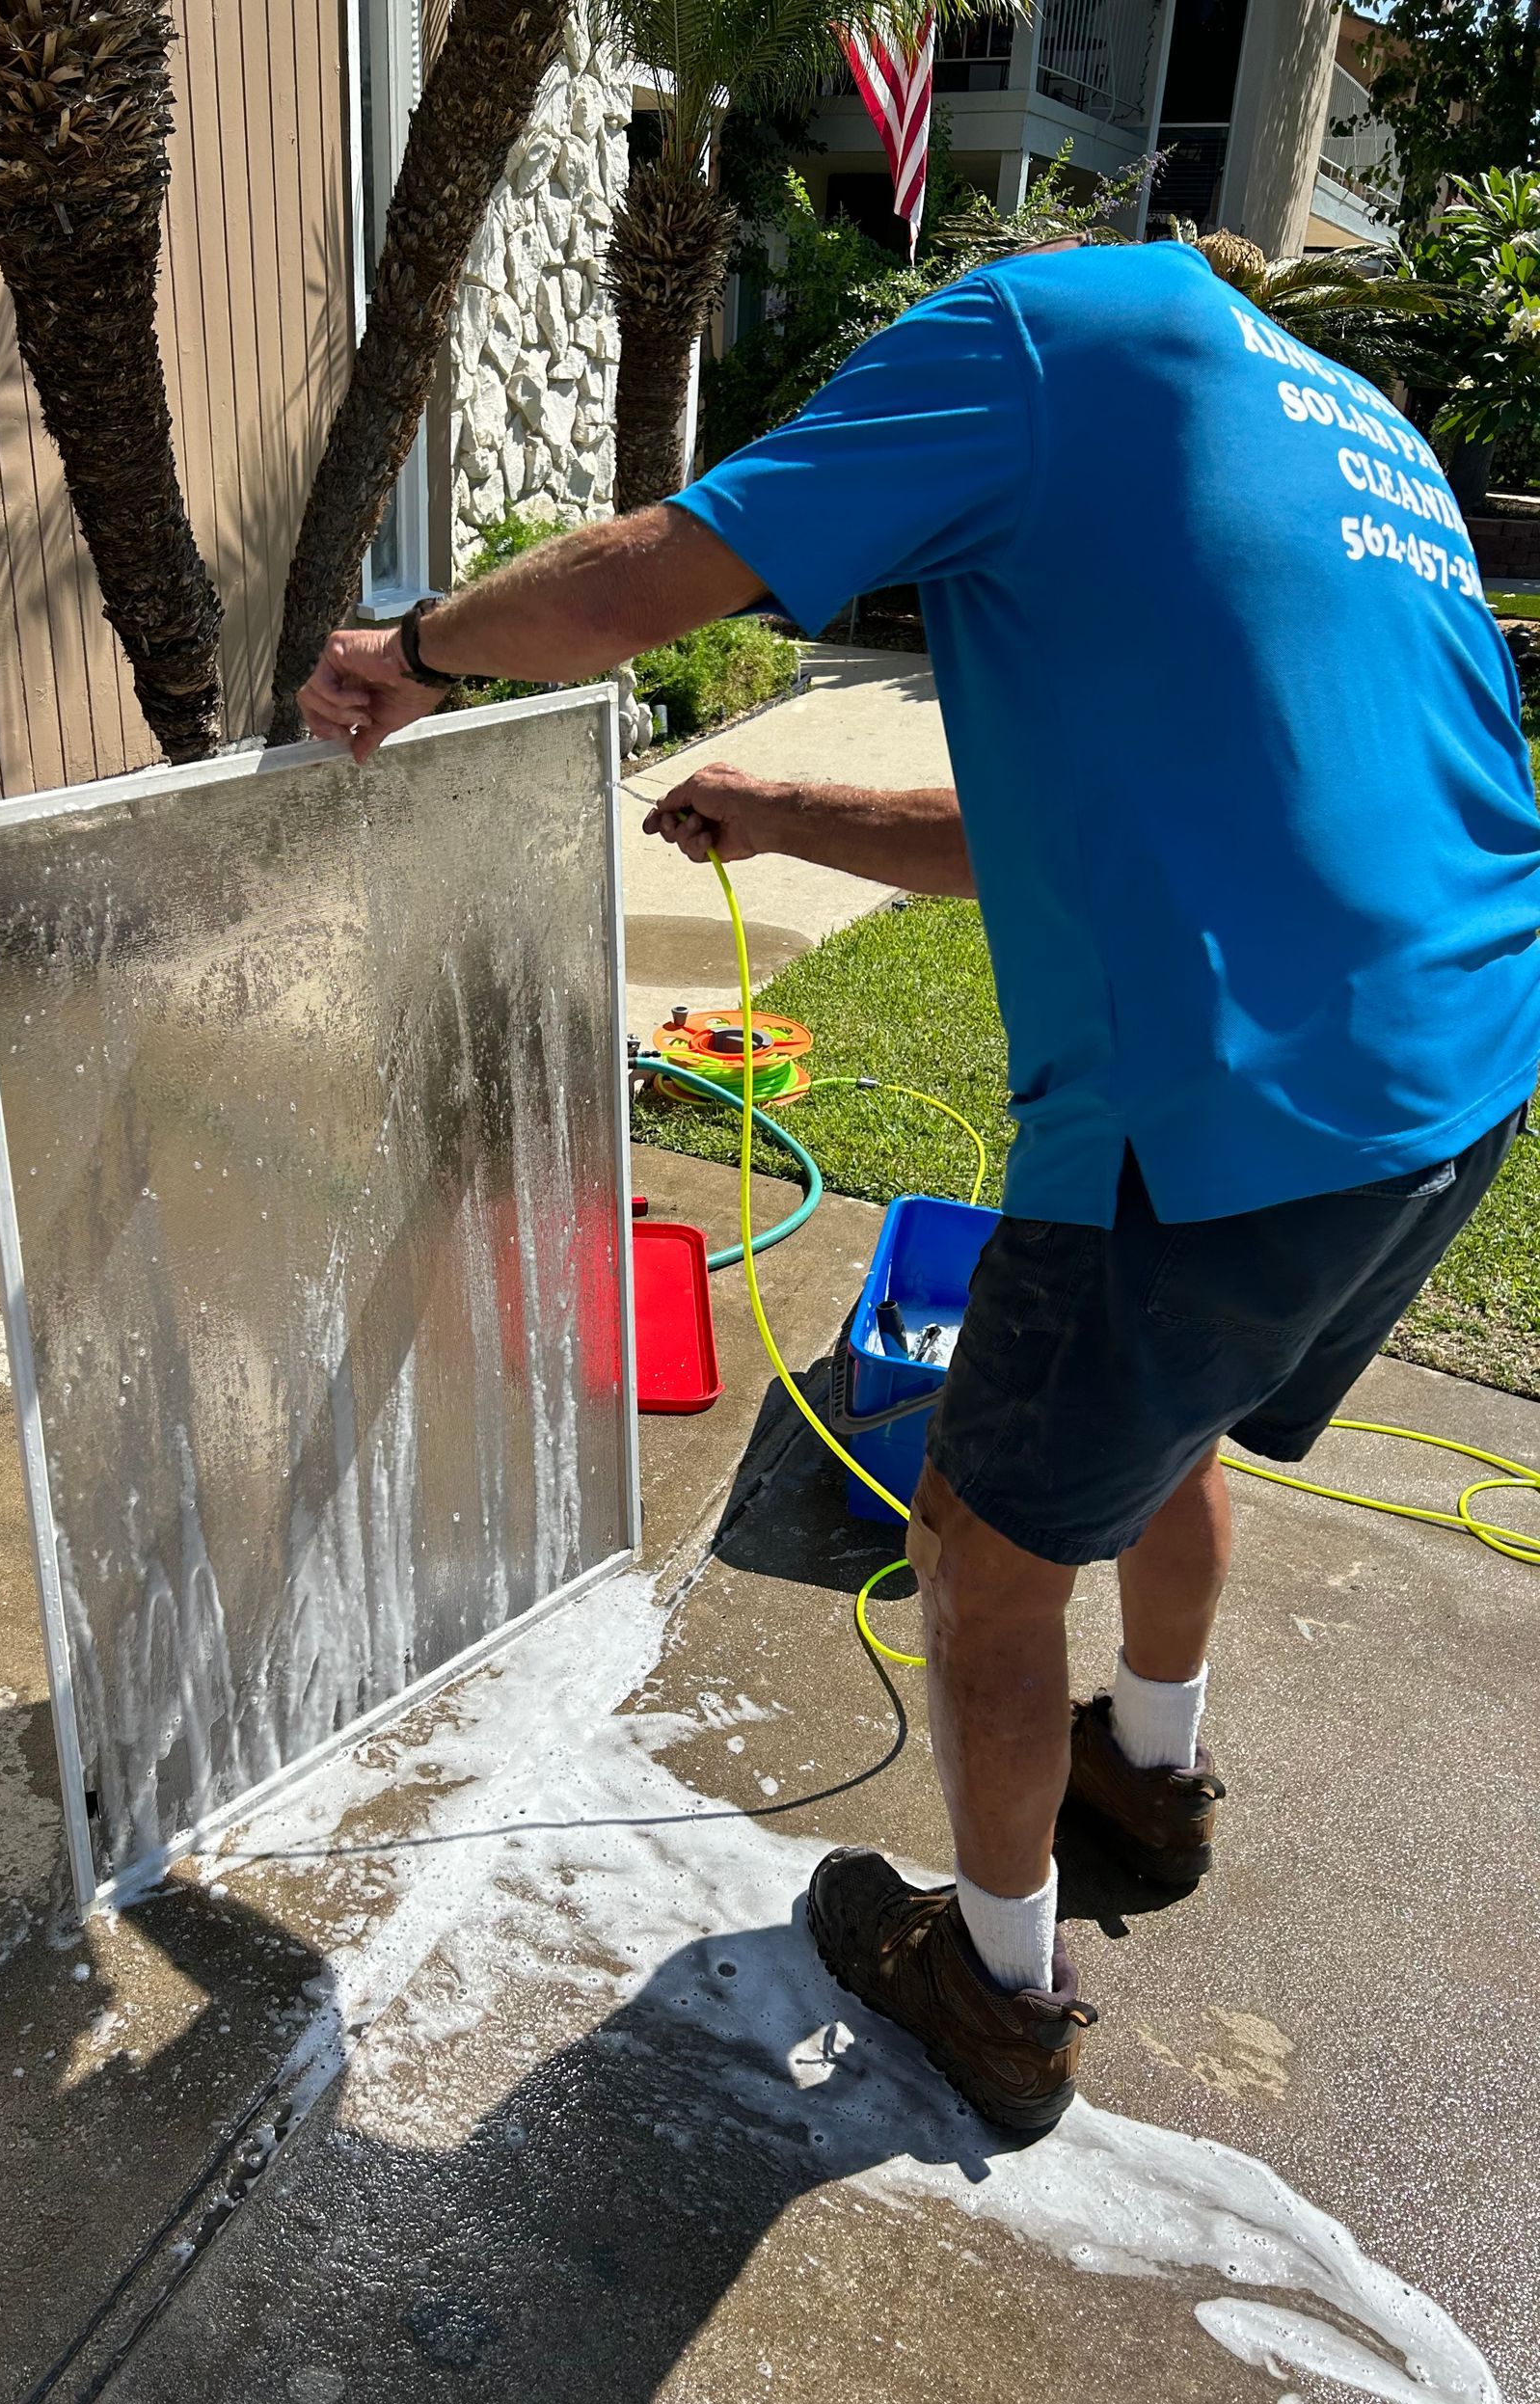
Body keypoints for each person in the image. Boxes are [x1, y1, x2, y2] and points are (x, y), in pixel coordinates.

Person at [298, 236, 1540, 2133]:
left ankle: (996, 1983)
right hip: (1446, 1084)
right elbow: (1056, 827)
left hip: (1220, 1113)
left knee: (982, 1545)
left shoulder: (1045, 333)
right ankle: (1157, 1771)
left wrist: (418, 644)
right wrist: (786, 809)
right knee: (1160, 1419)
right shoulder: (1342, 421)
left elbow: (653, 574)